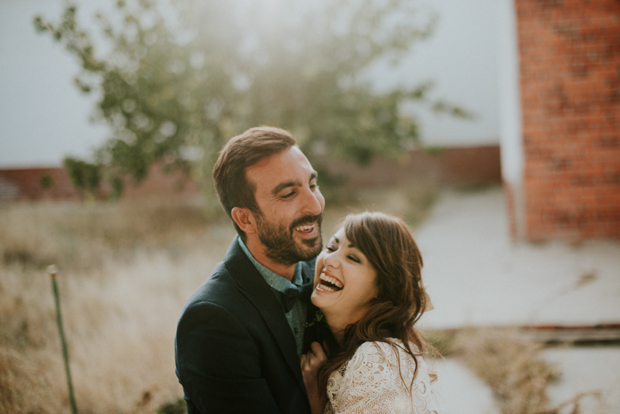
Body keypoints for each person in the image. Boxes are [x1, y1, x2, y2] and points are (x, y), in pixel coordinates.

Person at [175, 126, 326, 413]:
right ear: (245, 219)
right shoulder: (211, 322)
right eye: (289, 194)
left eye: (313, 185)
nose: (314, 205)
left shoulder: (324, 272)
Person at [300, 212, 440, 414]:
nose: (329, 259)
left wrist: (315, 404)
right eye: (331, 247)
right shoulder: (351, 348)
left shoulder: (376, 359)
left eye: (353, 258)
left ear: (382, 289)